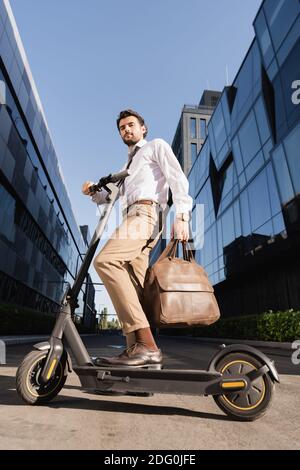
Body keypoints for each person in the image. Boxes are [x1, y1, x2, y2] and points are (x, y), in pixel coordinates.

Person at [82, 109, 193, 367]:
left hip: (147, 213)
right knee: (136, 288)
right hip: (132, 217)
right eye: (122, 128)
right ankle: (137, 356)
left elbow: (177, 178)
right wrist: (90, 191)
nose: (126, 130)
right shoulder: (126, 167)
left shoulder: (156, 146)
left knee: (106, 261)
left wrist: (183, 215)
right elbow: (107, 196)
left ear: (143, 128)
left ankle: (147, 347)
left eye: (131, 125)